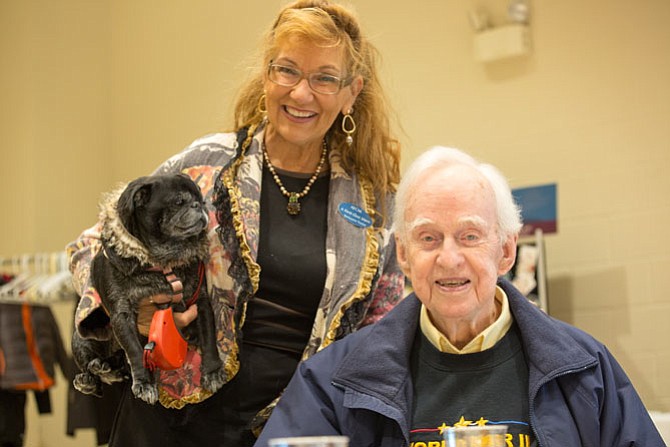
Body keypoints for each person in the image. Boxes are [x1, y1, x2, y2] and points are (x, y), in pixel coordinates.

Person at [66, 1, 405, 446]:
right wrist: (131, 308)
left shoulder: (374, 202)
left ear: (351, 92)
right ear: (266, 75)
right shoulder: (205, 166)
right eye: (287, 70)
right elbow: (89, 248)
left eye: (324, 78)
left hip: (297, 428)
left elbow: (385, 328)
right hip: (171, 423)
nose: (301, 93)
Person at [254, 146, 666, 447]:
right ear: (403, 254)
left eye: (470, 236)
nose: (449, 259)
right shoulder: (333, 381)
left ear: (506, 250)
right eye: (428, 238)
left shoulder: (585, 370)